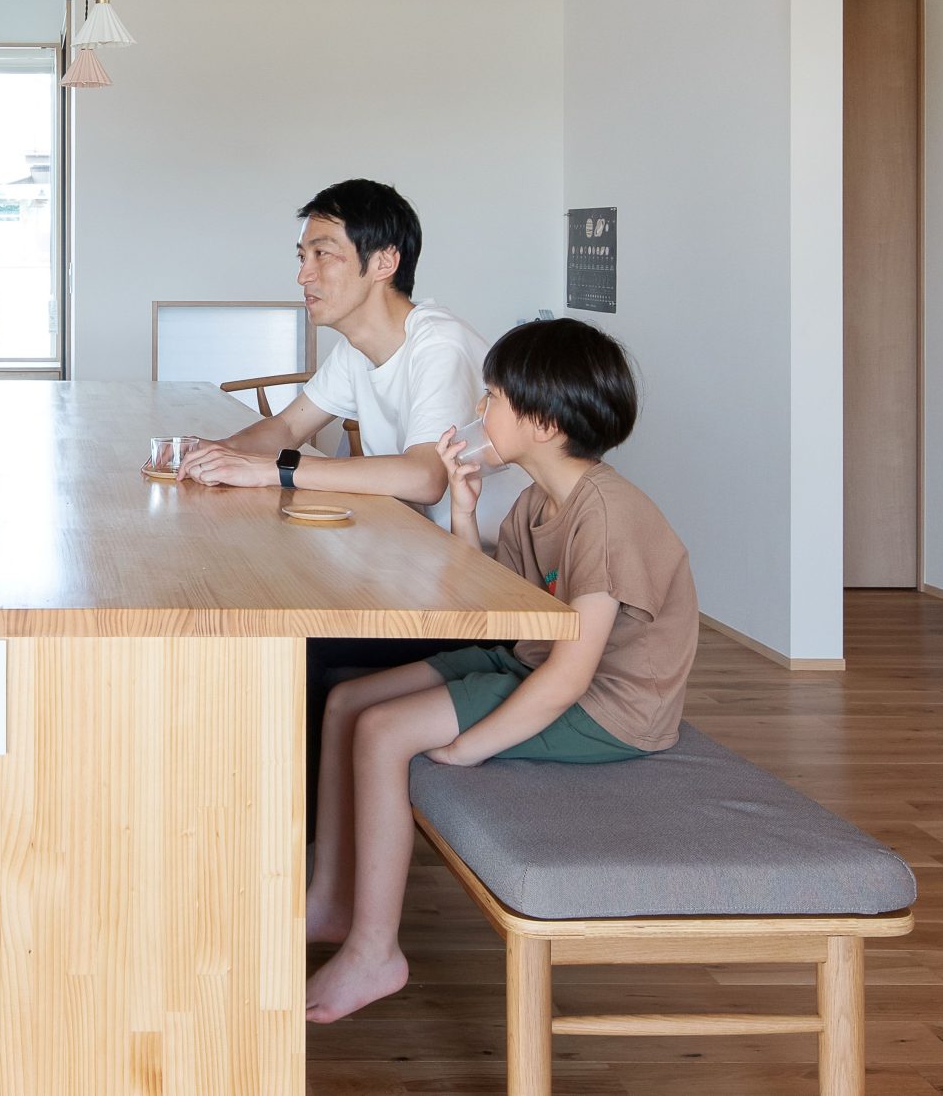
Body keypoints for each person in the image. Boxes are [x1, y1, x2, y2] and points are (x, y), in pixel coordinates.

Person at [300, 318, 698, 1025]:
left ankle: (374, 951)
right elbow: (489, 611)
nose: (479, 410)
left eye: (492, 398)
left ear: (542, 423)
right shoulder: (537, 501)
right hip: (532, 657)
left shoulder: (606, 516)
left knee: (384, 731)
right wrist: (463, 510)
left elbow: (572, 675)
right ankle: (330, 898)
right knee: (346, 701)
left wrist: (469, 746)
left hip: (608, 706)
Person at [180, 178, 492, 522]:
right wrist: (217, 451)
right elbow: (288, 428)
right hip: (412, 536)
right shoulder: (355, 348)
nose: (303, 276)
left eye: (322, 254)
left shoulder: (440, 342)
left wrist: (273, 469)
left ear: (384, 263)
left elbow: (425, 477)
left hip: (483, 551)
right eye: (302, 257)